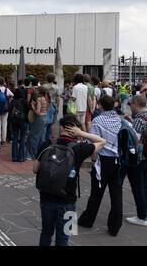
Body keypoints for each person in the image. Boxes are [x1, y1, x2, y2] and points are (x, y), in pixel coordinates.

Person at [34, 115, 106, 246]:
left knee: (46, 232)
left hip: (46, 197)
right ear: (75, 130)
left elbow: (35, 169)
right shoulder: (79, 148)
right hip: (69, 201)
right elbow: (102, 142)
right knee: (65, 236)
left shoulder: (47, 144)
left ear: (61, 128)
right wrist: (82, 133)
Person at [78, 96, 126, 236]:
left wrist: (93, 162)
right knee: (116, 194)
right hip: (117, 160)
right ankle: (115, 226)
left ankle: (88, 220)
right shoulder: (120, 120)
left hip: (103, 160)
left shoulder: (98, 121)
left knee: (96, 193)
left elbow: (94, 145)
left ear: (101, 106)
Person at [122, 95, 147, 226]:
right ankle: (145, 214)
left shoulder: (139, 119)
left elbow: (135, 141)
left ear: (136, 104)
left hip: (138, 158)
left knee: (138, 187)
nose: (130, 106)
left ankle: (142, 216)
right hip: (146, 156)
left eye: (130, 103)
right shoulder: (145, 117)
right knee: (145, 185)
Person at [26, 87, 49, 161]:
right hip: (45, 118)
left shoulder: (39, 99)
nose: (36, 91)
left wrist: (33, 106)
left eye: (37, 90)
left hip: (39, 119)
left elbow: (38, 112)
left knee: (34, 137)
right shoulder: (45, 98)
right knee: (41, 138)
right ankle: (40, 154)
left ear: (40, 92)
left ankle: (31, 155)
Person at [8, 88, 29, 162]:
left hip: (14, 121)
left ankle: (14, 157)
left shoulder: (13, 101)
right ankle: (21, 157)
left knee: (15, 138)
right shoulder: (24, 101)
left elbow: (9, 110)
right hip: (24, 121)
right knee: (23, 139)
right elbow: (28, 111)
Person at [43, 74, 61, 142]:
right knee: (51, 123)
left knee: (45, 122)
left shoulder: (44, 86)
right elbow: (58, 98)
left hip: (45, 104)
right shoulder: (56, 87)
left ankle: (43, 138)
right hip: (53, 105)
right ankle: (48, 138)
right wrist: (57, 107)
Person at [0, 77, 13, 147]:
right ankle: (3, 140)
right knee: (4, 125)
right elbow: (12, 95)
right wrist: (9, 101)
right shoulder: (7, 89)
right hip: (6, 109)